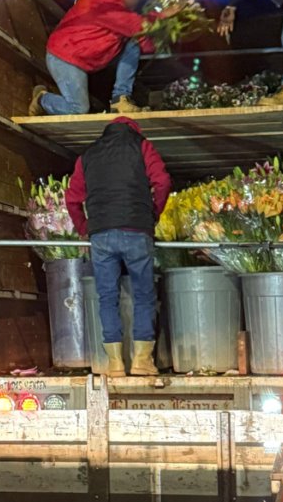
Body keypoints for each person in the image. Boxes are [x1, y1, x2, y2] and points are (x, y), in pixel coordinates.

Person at [65, 116, 171, 376]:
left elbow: (72, 197)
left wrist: (83, 227)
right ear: (134, 130)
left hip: (101, 233)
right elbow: (163, 182)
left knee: (107, 297)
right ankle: (142, 361)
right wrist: (152, 213)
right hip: (136, 229)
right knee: (144, 295)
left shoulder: (88, 154)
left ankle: (114, 364)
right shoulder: (142, 146)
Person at [30, 0, 181, 117]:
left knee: (132, 44)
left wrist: (161, 37)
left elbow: (140, 38)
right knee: (78, 109)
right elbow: (136, 26)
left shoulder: (119, 5)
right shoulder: (105, 0)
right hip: (65, 58)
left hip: (85, 58)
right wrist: (164, 15)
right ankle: (42, 99)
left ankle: (120, 99)